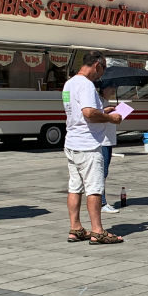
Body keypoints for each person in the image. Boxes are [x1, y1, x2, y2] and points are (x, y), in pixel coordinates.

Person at [62, 52, 124, 245]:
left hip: (72, 141)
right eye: (102, 70)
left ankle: (76, 227)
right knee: (94, 188)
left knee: (74, 187)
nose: (101, 75)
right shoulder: (87, 84)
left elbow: (79, 111)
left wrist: (103, 111)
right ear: (97, 65)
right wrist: (110, 118)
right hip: (88, 144)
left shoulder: (69, 83)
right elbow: (88, 113)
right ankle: (98, 231)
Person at [98, 85, 120, 214]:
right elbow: (96, 116)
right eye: (111, 88)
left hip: (109, 141)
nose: (113, 91)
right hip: (103, 141)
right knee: (102, 172)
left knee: (104, 172)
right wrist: (106, 112)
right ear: (103, 89)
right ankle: (102, 202)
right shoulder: (99, 102)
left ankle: (101, 201)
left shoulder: (106, 102)